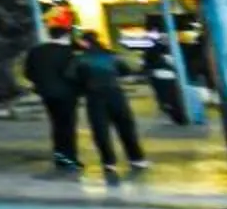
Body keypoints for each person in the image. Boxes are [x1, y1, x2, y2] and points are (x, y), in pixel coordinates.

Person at [75, 35, 149, 175]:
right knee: (126, 126)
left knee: (101, 130)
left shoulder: (80, 59)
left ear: (85, 43)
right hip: (115, 94)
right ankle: (136, 158)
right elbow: (126, 70)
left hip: (95, 96)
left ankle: (109, 162)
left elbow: (74, 77)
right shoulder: (111, 56)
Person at [25, 36, 83, 170]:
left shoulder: (36, 51)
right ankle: (70, 159)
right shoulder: (69, 52)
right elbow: (76, 73)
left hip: (47, 94)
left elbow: (28, 73)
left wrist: (42, 84)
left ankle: (60, 158)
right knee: (68, 126)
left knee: (56, 125)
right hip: (67, 94)